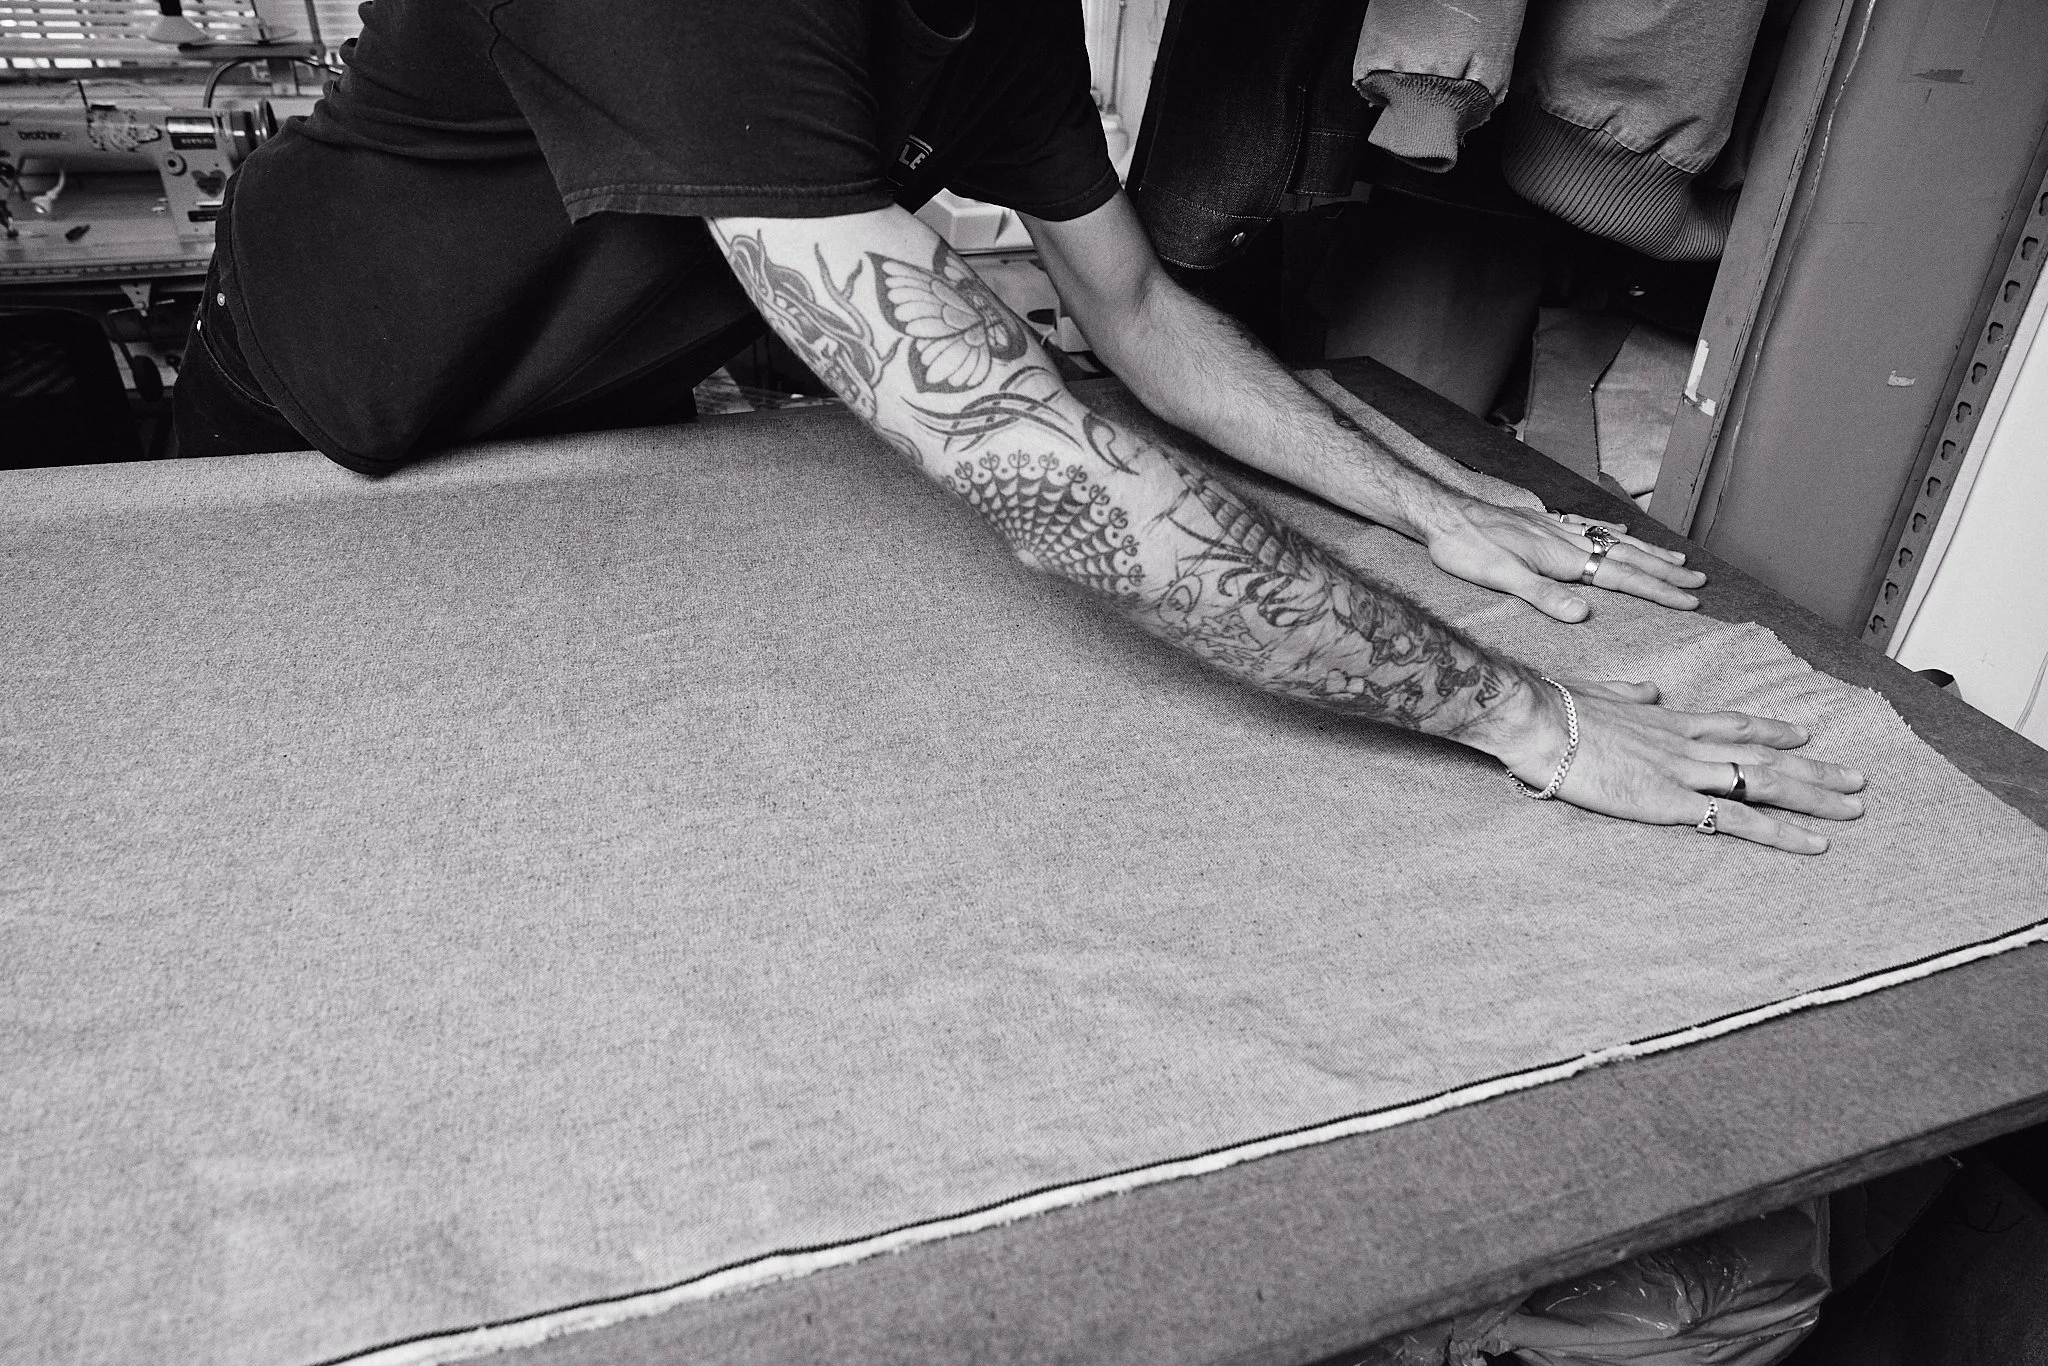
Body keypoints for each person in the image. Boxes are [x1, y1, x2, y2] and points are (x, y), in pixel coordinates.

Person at [173, 0, 1865, 852]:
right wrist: (1530, 716)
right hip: (315, 419)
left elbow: (1133, 309)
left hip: (597, 430)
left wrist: (1424, 504)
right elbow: (1039, 466)